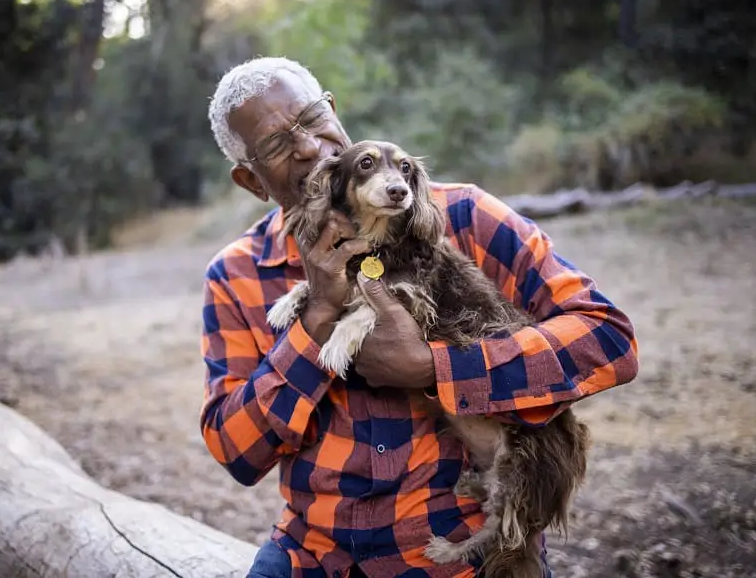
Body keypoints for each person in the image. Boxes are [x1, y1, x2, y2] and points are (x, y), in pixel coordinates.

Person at [199, 56, 639, 578]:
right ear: (252, 180)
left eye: (313, 118)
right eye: (276, 145)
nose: (309, 146)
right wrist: (315, 316)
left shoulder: (464, 217)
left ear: (334, 111)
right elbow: (236, 450)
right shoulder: (237, 274)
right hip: (314, 554)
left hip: (461, 547)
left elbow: (608, 340)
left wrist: (437, 368)